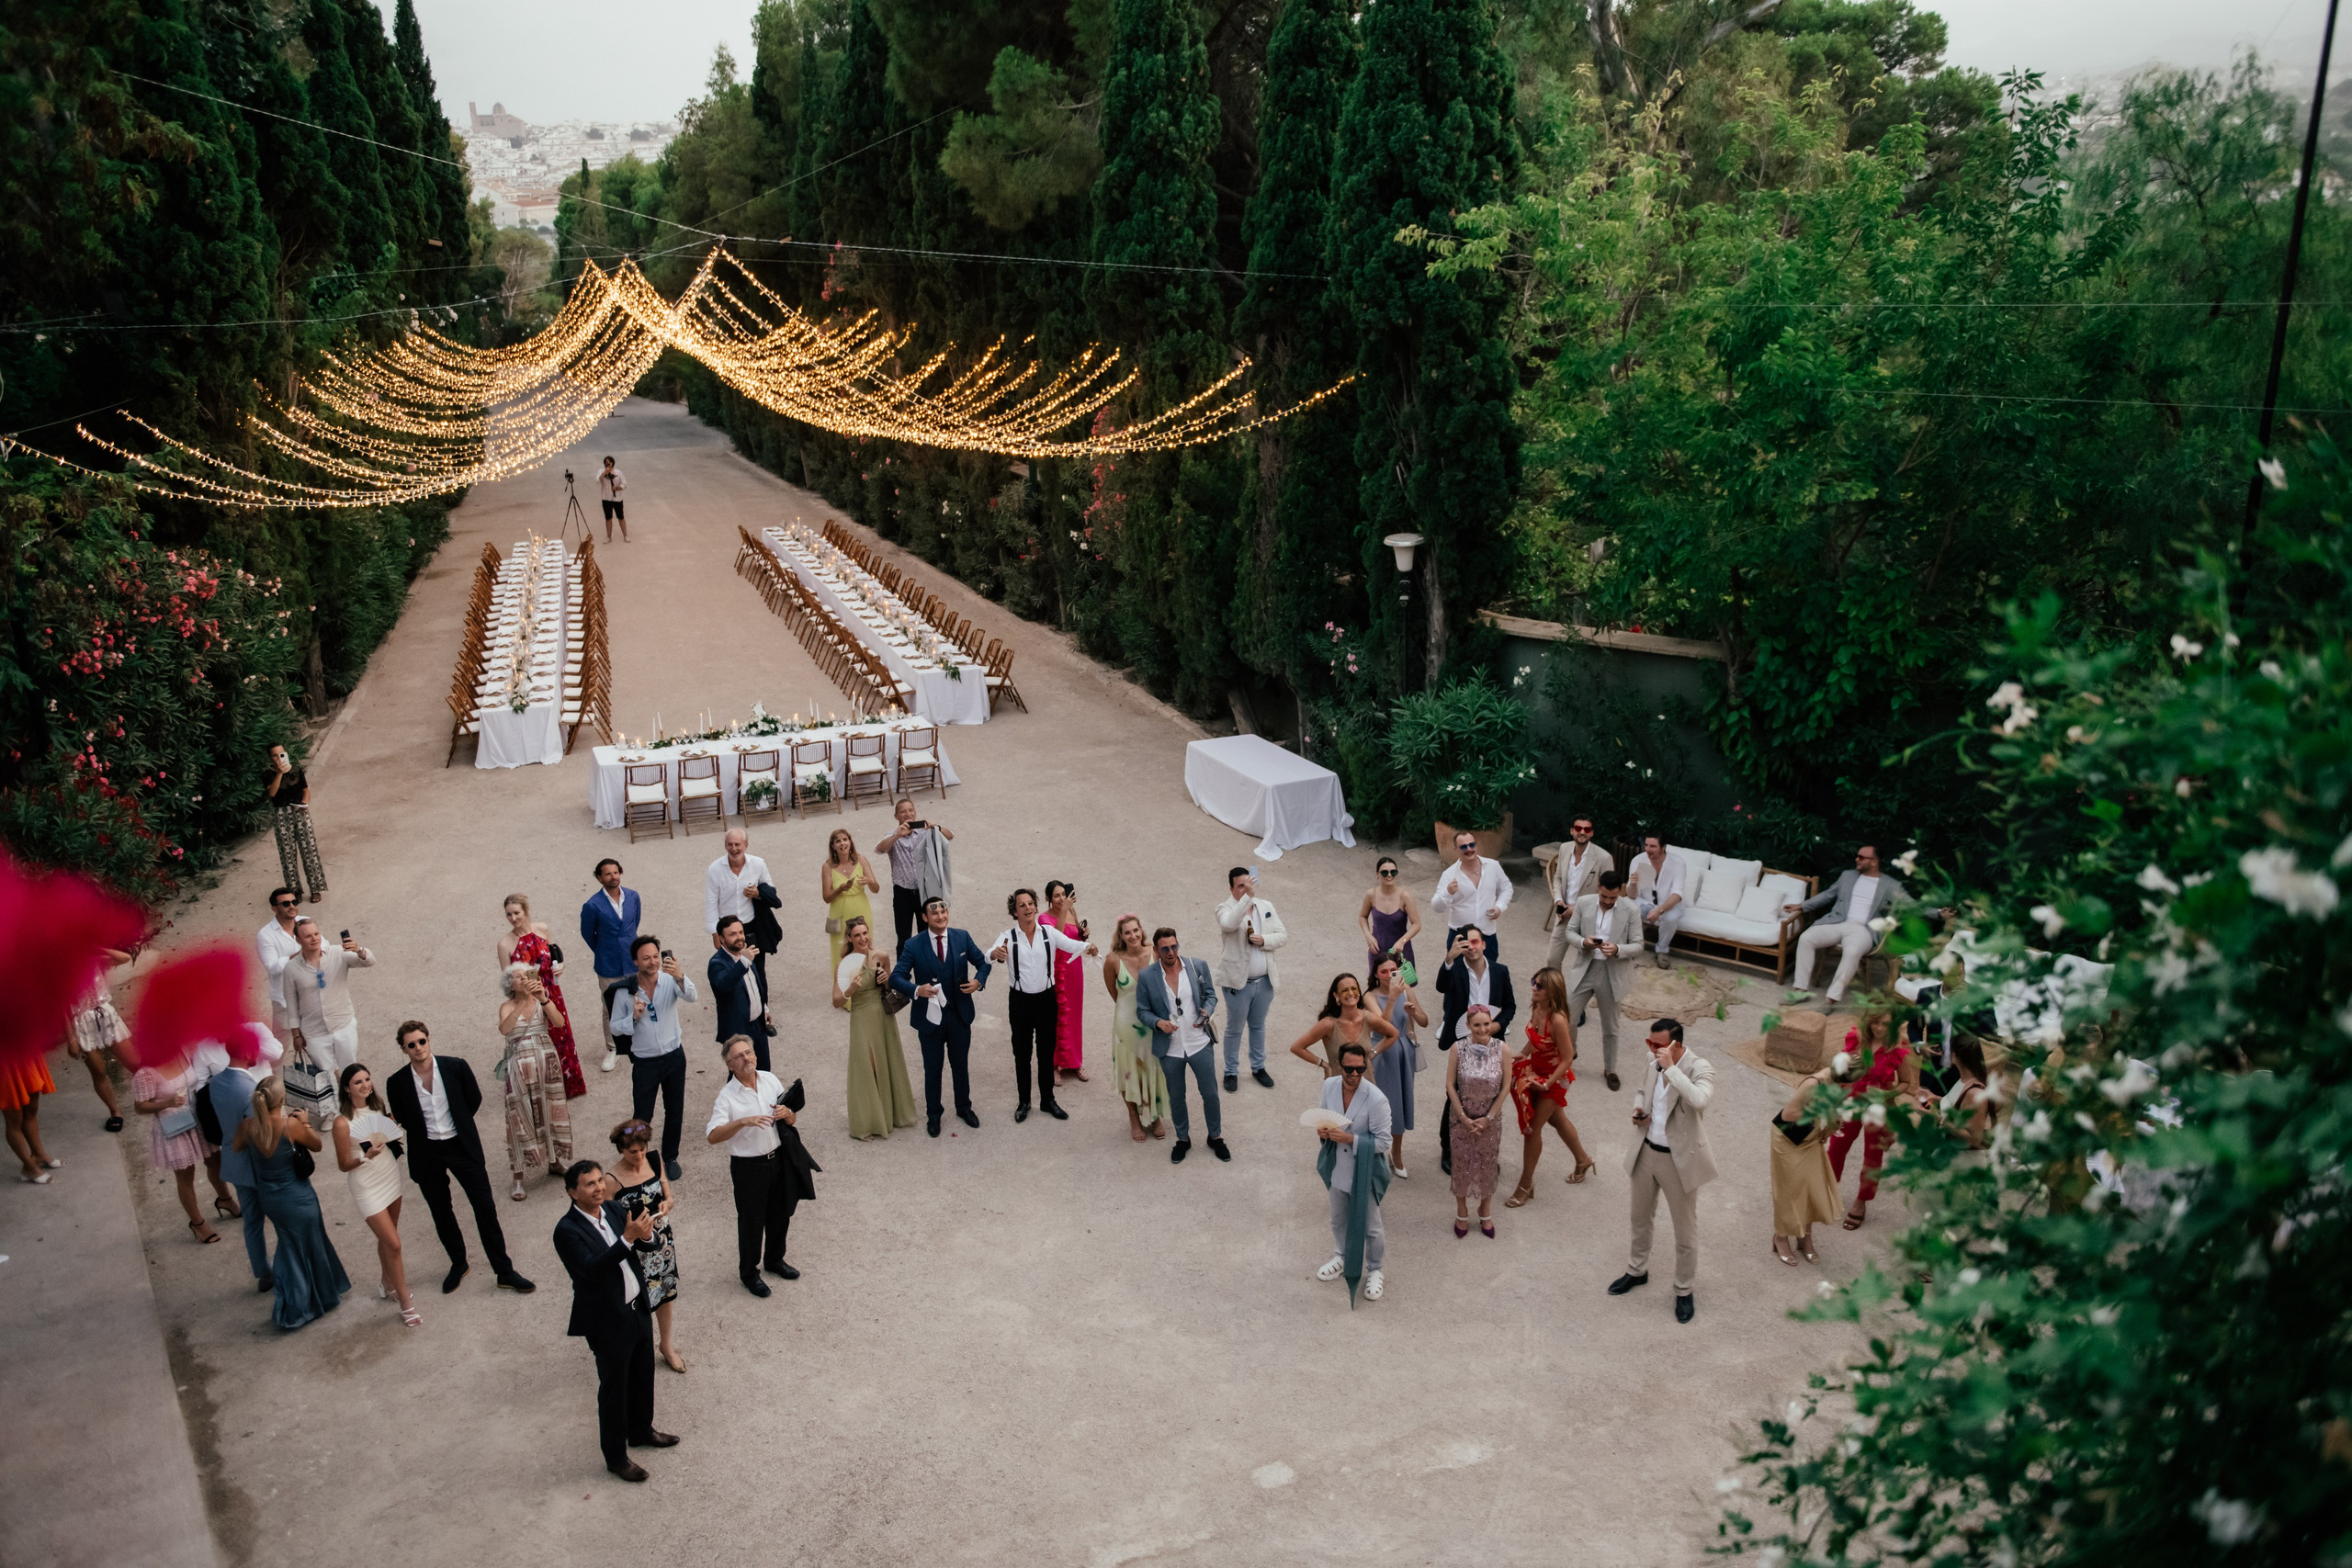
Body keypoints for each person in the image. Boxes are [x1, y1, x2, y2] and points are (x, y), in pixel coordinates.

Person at [384, 1021, 537, 1295]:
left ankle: (504, 1271)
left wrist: (459, 1126)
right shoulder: (397, 1082)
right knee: (441, 1212)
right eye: (411, 1044)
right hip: (427, 1151)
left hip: (461, 1146)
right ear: (403, 1049)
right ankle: (458, 1263)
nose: (418, 1048)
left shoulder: (455, 1067)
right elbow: (404, 1117)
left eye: (421, 1041)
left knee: (485, 1208)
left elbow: (473, 1099)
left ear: (428, 1040)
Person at [552, 1158, 676, 1482]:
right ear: (572, 1193)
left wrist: (646, 1236)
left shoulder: (612, 1209)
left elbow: (644, 1244)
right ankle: (616, 1457)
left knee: (643, 1372)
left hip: (636, 1309)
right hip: (606, 1320)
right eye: (589, 1184)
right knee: (614, 1389)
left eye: (599, 1181)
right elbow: (593, 1269)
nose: (599, 1187)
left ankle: (641, 1430)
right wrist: (628, 1240)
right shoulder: (566, 1231)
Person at [1610, 1019, 1717, 1323]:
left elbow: (1699, 1100)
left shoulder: (1700, 1068)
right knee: (1639, 1218)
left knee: (1685, 1231)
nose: (1652, 1050)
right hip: (1646, 1152)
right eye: (1650, 1044)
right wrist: (1637, 1108)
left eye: (1658, 1045)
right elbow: (1641, 1091)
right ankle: (1637, 1270)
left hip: (1678, 1161)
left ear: (1677, 1045)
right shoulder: (1651, 1060)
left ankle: (1684, 1290)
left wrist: (1671, 1068)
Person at [234, 1075, 351, 1331]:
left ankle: (316, 1297)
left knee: (292, 1245)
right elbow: (318, 1146)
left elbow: (236, 1147)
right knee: (306, 1247)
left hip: (270, 1199)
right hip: (298, 1197)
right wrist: (306, 1124)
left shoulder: (249, 1127)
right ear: (281, 1099)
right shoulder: (290, 1125)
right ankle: (297, 1307)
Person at [707, 1037, 814, 1293]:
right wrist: (742, 1122)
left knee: (781, 1213)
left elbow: (791, 1117)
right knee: (751, 1222)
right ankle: (749, 1273)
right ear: (730, 1065)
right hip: (749, 1168)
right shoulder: (727, 1097)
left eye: (749, 1052)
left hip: (778, 1159)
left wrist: (788, 1114)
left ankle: (775, 1260)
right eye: (739, 1056)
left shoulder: (769, 1079)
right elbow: (712, 1136)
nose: (747, 1058)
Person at [989, 888, 1096, 1122]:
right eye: (1022, 905)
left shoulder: (1048, 932)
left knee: (1046, 1052)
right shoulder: (1007, 936)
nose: (1027, 908)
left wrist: (1089, 947)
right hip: (1020, 1001)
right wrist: (996, 953)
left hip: (1047, 999)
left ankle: (1047, 1100)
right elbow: (991, 953)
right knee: (1022, 1053)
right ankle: (1024, 1101)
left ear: (1036, 907)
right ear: (1014, 912)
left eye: (1030, 904)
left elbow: (1071, 944)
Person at [889, 897, 992, 1137]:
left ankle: (964, 1108)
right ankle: (933, 1115)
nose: (940, 917)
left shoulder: (962, 937)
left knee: (960, 1065)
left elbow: (983, 963)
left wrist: (978, 981)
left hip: (959, 1015)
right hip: (929, 1020)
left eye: (944, 912)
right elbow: (896, 977)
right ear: (925, 918)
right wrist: (917, 990)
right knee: (932, 1069)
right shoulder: (913, 945)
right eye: (934, 914)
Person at [331, 1062, 419, 1326]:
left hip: (389, 1176)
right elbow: (343, 1165)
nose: (365, 1085)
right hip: (366, 1184)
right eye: (358, 1082)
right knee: (393, 1243)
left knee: (388, 1234)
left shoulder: (378, 1108)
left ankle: (386, 1282)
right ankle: (405, 1301)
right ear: (347, 1088)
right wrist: (364, 1157)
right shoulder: (341, 1123)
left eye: (367, 1079)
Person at [1135, 928, 1228, 1166]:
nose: (1171, 952)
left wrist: (1207, 1009)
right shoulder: (1147, 976)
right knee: (1177, 1097)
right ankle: (1183, 1139)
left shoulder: (1197, 966)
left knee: (1210, 1094)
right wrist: (1158, 1023)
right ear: (1156, 950)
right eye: (1165, 948)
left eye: (1174, 946)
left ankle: (1215, 1137)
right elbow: (1142, 1010)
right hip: (1171, 1048)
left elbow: (1211, 995)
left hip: (1199, 1043)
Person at [1506, 967, 1596, 1207]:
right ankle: (1583, 1159)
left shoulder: (1558, 1020)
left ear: (1552, 991)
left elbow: (1568, 1058)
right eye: (1533, 983)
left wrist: (1546, 1084)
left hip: (1554, 1079)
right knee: (1556, 1120)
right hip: (1537, 1071)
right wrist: (1523, 1053)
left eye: (1539, 986)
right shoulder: (1537, 1006)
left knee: (1532, 1130)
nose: (1534, 989)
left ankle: (1525, 1184)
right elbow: (1534, 1036)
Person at [1433, 926, 1517, 1177]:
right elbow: (1440, 986)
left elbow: (1510, 1007)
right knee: (1456, 1094)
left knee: (1489, 1094)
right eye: (1466, 944)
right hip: (1462, 1040)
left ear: (1484, 944)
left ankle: (1484, 1148)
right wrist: (1449, 958)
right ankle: (1448, 1149)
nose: (1471, 947)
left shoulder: (1500, 971)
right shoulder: (1455, 969)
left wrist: (1497, 1025)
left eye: (1475, 942)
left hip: (1491, 1041)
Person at [1314, 1041, 1393, 1303]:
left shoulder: (1376, 1099)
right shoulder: (1329, 1086)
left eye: (1360, 1069)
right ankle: (1342, 1256)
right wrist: (1323, 1132)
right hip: (1338, 1165)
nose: (1355, 1075)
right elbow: (1325, 1121)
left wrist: (1350, 1139)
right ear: (1340, 1066)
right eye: (1350, 1069)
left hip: (1364, 1169)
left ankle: (1375, 1270)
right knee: (1337, 1218)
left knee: (1371, 1226)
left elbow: (1384, 1142)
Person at [1784, 842, 1908, 1006]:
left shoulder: (1890, 885)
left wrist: (1938, 913)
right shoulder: (1847, 876)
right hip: (1838, 922)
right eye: (1857, 856)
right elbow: (1828, 895)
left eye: (1862, 857)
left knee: (1852, 951)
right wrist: (1802, 906)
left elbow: (1912, 904)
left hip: (1863, 930)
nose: (1857, 859)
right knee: (1806, 938)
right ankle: (1800, 991)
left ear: (1874, 861)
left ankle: (1831, 999)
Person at [613, 937, 697, 1175]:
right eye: (646, 958)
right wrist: (633, 1017)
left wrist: (680, 976)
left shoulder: (670, 980)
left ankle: (670, 1158)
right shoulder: (625, 992)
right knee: (642, 1114)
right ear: (635, 962)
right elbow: (615, 1027)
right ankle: (639, 1158)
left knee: (675, 1109)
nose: (652, 962)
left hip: (673, 1056)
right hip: (645, 1061)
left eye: (655, 956)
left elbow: (692, 996)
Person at [606, 1121, 684, 1372]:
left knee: (664, 1292)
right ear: (621, 1150)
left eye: (642, 1149)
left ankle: (666, 1345)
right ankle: (635, 1351)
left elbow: (667, 1194)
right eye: (632, 1152)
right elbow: (606, 1221)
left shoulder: (653, 1159)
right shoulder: (611, 1180)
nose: (639, 1156)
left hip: (661, 1241)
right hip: (634, 1248)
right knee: (634, 1301)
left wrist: (667, 1204)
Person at [1826, 1014, 1916, 1230]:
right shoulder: (1855, 1039)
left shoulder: (1897, 1049)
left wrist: (1886, 1094)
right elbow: (1841, 1072)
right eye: (1875, 1022)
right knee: (1836, 1147)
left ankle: (1861, 1201)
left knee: (1872, 1156)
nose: (1879, 1028)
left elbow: (1906, 1083)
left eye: (1885, 1024)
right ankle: (1828, 1190)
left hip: (1877, 1107)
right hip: (1850, 1102)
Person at [204, 1030, 277, 1288]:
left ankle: (263, 1273)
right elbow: (258, 1134)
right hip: (257, 1165)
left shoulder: (216, 1082)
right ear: (247, 1053)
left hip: (234, 1162)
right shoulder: (250, 1090)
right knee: (281, 1217)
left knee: (252, 1222)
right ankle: (285, 1268)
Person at [498, 960, 576, 1201]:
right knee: (519, 1116)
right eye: (517, 976)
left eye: (526, 975)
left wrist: (543, 998)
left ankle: (554, 1161)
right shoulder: (507, 1006)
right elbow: (505, 1029)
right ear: (509, 983)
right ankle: (518, 1177)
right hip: (519, 1065)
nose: (522, 979)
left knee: (551, 1109)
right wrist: (522, 1003)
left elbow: (559, 1022)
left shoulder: (543, 1000)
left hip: (545, 1061)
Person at [833, 916, 918, 1139]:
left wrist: (886, 979)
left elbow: (892, 987)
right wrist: (850, 990)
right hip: (861, 1016)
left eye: (865, 933)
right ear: (849, 939)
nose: (862, 938)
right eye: (857, 935)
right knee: (867, 1066)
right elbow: (836, 1001)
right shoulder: (844, 964)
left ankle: (891, 1115)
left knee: (887, 1061)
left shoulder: (881, 956)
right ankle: (868, 1122)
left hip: (882, 1015)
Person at [497, 894, 586, 1099]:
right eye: (509, 914)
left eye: (516, 913)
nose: (513, 918)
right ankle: (543, 1088)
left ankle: (567, 1084)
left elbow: (552, 955)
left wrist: (560, 967)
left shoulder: (542, 929)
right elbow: (508, 978)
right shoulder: (505, 944)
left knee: (560, 1034)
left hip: (551, 991)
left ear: (525, 911)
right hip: (527, 995)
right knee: (538, 1037)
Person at [1559, 870, 1642, 1089]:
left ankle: (1610, 1068)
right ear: (1598, 887)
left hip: (1612, 971)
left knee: (1611, 1026)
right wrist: (1584, 942)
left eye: (1612, 898)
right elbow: (1569, 932)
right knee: (1567, 1018)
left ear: (1620, 892)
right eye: (1604, 896)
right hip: (1585, 968)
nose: (1607, 902)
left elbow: (1638, 944)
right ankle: (1570, 1055)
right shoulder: (1584, 903)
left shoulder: (1631, 910)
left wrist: (1618, 949)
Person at [131, 1053, 225, 1243]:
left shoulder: (182, 1052)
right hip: (174, 1126)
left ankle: (225, 1199)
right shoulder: (146, 1072)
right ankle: (197, 1223)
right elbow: (139, 1107)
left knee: (215, 1160)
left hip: (199, 1118)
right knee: (185, 1175)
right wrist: (167, 1103)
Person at [1214, 866, 1287, 1093]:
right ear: (1232, 888)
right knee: (1234, 1029)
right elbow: (1229, 924)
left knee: (1258, 1026)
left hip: (1264, 981)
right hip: (1238, 983)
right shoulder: (1224, 908)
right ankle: (1231, 1072)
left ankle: (1258, 1068)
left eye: (1249, 884)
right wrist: (1246, 899)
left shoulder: (1266, 906)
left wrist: (1263, 939)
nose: (1246, 889)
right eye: (1241, 886)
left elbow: (1282, 935)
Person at [1446, 1007, 1512, 1236]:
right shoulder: (1458, 1048)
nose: (1483, 1029)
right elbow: (1450, 1085)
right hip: (1461, 1119)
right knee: (1461, 1164)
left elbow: (1506, 1087)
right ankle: (1461, 1210)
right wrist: (1463, 1117)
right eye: (1477, 1025)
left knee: (1487, 1163)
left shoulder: (1502, 1048)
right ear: (1468, 1026)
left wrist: (1489, 1117)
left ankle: (1485, 1210)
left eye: (1487, 1024)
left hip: (1490, 1120)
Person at [1102, 915, 1169, 1142]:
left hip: (1152, 1024)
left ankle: (1155, 1115)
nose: (1133, 936)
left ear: (1142, 930)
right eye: (1127, 932)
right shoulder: (1112, 960)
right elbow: (1115, 993)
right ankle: (1134, 1117)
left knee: (1153, 1067)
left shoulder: (1155, 953)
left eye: (1135, 930)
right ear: (1121, 936)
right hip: (1125, 1025)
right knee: (1128, 1071)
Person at [284, 917, 374, 1081]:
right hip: (314, 1032)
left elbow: (369, 962)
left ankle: (354, 1105)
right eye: (308, 936)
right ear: (298, 940)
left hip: (342, 1024)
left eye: (316, 934)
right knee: (326, 1078)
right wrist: (296, 1035)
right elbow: (291, 1004)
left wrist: (359, 949)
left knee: (351, 1073)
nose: (314, 939)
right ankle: (335, 1107)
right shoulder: (291, 968)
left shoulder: (337, 953)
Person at [1769, 1066, 1842, 1266]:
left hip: (1810, 1137)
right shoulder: (1813, 1084)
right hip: (1787, 1137)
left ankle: (1804, 1237)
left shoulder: (1833, 1085)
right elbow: (1789, 1114)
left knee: (1810, 1188)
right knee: (1789, 1190)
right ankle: (1781, 1237)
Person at [579, 858, 641, 1074]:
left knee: (639, 999)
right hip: (608, 962)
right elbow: (588, 934)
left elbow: (634, 923)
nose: (613, 877)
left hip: (633, 959)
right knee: (610, 1007)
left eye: (616, 873)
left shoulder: (633, 896)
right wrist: (605, 950)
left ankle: (640, 1040)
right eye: (608, 874)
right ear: (599, 877)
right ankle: (612, 1048)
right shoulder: (592, 905)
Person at [1366, 955, 1425, 1177]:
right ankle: (1375, 1151)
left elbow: (1424, 1021)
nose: (1390, 975)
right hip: (1383, 1052)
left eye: (1393, 970)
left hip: (1404, 1052)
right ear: (1376, 975)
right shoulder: (1370, 996)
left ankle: (1397, 1153)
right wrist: (1392, 998)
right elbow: (1382, 1027)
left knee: (1401, 1102)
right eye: (1384, 971)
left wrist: (1414, 1013)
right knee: (1381, 1103)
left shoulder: (1407, 989)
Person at [64, 947, 130, 1131]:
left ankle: (151, 1099)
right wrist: (71, 1039)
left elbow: (124, 958)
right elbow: (61, 1008)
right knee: (99, 1072)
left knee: (133, 1061)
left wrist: (96, 946)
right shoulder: (60, 971)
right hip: (81, 1023)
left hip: (107, 1016)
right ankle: (115, 1111)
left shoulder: (97, 960)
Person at [1286, 972, 1398, 1079]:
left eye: (1354, 989)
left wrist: (1373, 1054)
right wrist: (1324, 1065)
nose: (1350, 993)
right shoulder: (1328, 1024)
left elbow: (1393, 1034)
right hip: (1338, 1087)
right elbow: (1297, 1047)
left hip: (1366, 1083)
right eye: (1345, 990)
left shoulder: (1368, 1018)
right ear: (1336, 995)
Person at [876, 798, 955, 946]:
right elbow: (880, 849)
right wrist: (897, 835)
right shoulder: (892, 835)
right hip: (902, 893)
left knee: (927, 934)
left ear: (915, 812)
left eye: (910, 810)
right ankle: (903, 969)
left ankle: (926, 968)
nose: (907, 814)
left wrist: (936, 827)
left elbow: (950, 835)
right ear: (896, 816)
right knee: (903, 937)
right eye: (903, 811)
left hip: (924, 891)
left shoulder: (924, 832)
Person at [1542, 817, 1615, 973]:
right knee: (1552, 960)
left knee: (1590, 964)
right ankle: (1558, 994)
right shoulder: (1564, 848)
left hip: (1590, 917)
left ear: (1592, 833)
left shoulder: (1604, 858)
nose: (1582, 832)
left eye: (1587, 829)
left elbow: (1608, 893)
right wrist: (1559, 901)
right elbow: (1558, 878)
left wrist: (1576, 908)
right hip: (1564, 915)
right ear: (1572, 830)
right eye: (1578, 828)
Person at [1430, 830, 1513, 961]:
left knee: (1488, 976)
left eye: (1471, 845)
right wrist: (1448, 892)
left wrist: (1499, 907)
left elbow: (1506, 888)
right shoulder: (1449, 874)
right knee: (1459, 978)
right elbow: (1436, 907)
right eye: (1463, 846)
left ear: (1476, 845)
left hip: (1487, 935)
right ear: (1456, 849)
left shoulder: (1493, 866)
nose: (1469, 849)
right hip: (1460, 937)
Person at [707, 916, 773, 1072]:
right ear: (721, 939)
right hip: (737, 1031)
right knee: (741, 1075)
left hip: (758, 1026)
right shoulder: (717, 963)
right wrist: (744, 961)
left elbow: (755, 985)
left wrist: (764, 1009)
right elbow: (725, 985)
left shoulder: (745, 953)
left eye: (741, 932)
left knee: (763, 1073)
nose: (739, 937)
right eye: (733, 934)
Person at [265, 742, 327, 902]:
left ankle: (315, 889)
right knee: (287, 854)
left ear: (286, 753)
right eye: (275, 755)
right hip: (281, 815)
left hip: (299, 812)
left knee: (309, 850)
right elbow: (272, 793)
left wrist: (305, 802)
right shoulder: (268, 774)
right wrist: (279, 773)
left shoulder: (297, 770)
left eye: (281, 754)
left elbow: (305, 790)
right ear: (270, 758)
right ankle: (294, 891)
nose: (279, 758)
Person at [1042, 880, 1091, 1085]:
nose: (1062, 899)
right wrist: (1065, 911)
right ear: (1048, 899)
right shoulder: (1044, 918)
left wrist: (1084, 934)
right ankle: (1053, 1065)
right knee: (1057, 1016)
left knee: (1074, 1015)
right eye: (1057, 896)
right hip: (1057, 969)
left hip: (1074, 968)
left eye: (1064, 894)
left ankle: (1074, 1062)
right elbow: (1057, 937)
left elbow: (1075, 936)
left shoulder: (1071, 910)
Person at [820, 828, 880, 974]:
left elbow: (876, 888)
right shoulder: (827, 866)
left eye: (845, 839)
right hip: (838, 913)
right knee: (840, 949)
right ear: (833, 845)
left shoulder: (861, 860)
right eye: (838, 841)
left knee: (864, 945)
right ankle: (845, 992)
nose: (842, 844)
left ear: (850, 842)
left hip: (861, 908)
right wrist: (840, 889)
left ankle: (867, 987)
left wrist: (869, 881)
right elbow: (826, 898)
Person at [704, 828, 773, 953]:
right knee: (731, 967)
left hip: (751, 924)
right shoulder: (714, 869)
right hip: (727, 928)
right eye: (730, 844)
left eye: (737, 844)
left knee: (757, 967)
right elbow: (711, 903)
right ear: (725, 845)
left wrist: (757, 894)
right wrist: (715, 933)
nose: (733, 849)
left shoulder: (758, 864)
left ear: (746, 845)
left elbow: (771, 892)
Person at [1627, 835, 1690, 969]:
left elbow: (1677, 895)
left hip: (1670, 903)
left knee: (1670, 917)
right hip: (1645, 902)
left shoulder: (1677, 863)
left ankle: (1662, 950)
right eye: (1647, 845)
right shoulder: (1638, 861)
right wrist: (1632, 884)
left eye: (1653, 846)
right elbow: (1632, 896)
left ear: (1663, 847)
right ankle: (1633, 945)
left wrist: (1659, 910)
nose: (1648, 850)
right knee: (1628, 907)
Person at [1357, 856, 1422, 984]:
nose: (1389, 875)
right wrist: (1368, 936)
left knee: (1400, 989)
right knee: (1377, 988)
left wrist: (1402, 941)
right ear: (1377, 874)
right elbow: (1362, 916)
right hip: (1377, 950)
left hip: (1400, 951)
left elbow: (1417, 924)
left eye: (1393, 872)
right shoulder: (1371, 895)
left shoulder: (1405, 896)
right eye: (1384, 872)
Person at [3, 1045, 59, 1184]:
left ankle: (38, 1155)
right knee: (14, 1118)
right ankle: (29, 1167)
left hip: (24, 1049)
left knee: (32, 1109)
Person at [256, 887, 303, 1046]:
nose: (292, 906)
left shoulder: (305, 922)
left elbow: (323, 945)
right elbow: (272, 967)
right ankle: (272, 1072)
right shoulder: (266, 934)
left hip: (309, 992)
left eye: (294, 902)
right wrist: (299, 956)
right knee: (279, 1047)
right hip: (284, 1000)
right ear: (274, 909)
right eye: (286, 903)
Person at [596, 455, 629, 542]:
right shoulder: (601, 471)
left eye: (609, 462)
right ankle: (609, 536)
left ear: (613, 463)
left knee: (621, 517)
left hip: (617, 499)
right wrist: (605, 473)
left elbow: (624, 484)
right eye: (606, 463)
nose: (608, 464)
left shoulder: (618, 472)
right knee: (608, 518)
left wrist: (617, 488)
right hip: (606, 498)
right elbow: (598, 480)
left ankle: (625, 535)